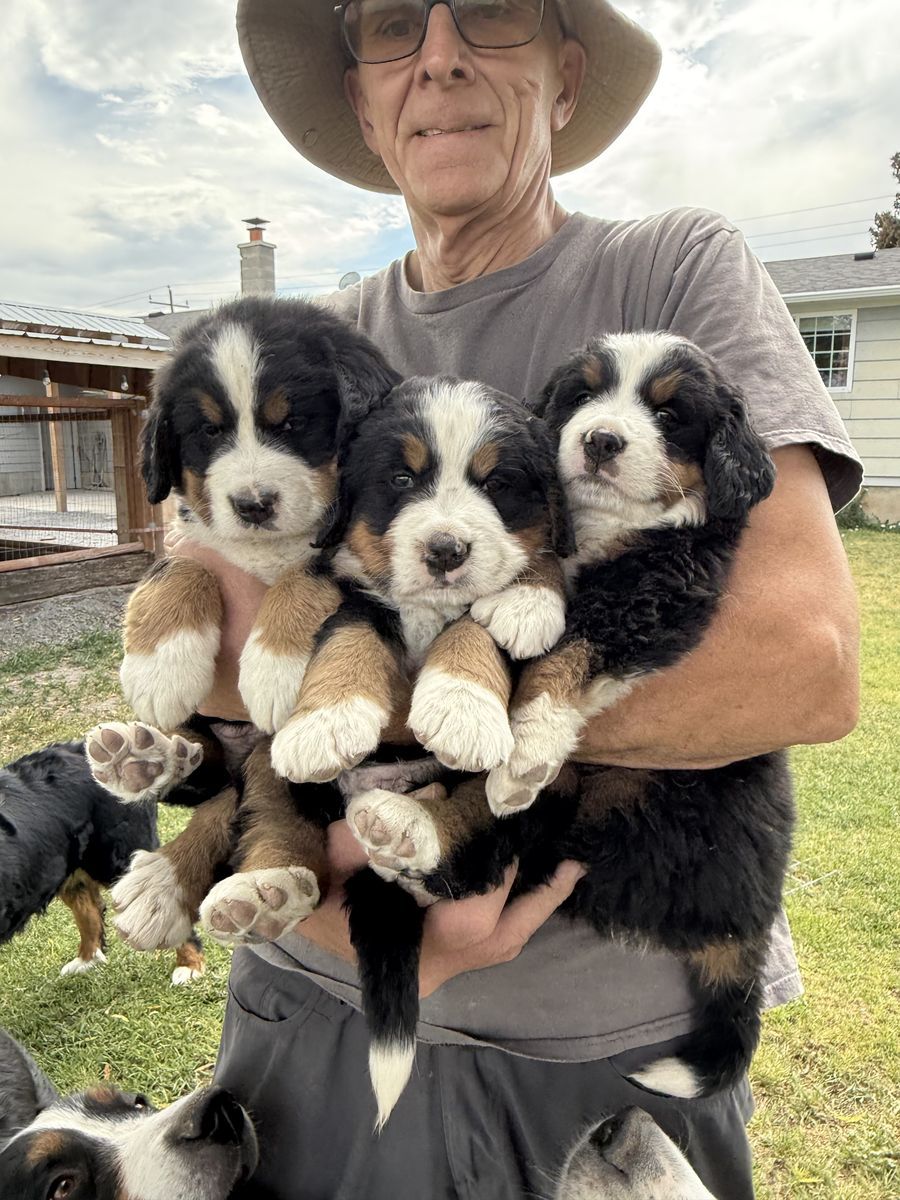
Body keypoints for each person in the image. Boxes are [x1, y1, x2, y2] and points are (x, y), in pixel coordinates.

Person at [175, 2, 862, 1196]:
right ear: (361, 96)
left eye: (488, 9)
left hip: (589, 1063)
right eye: (394, 22)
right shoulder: (313, 346)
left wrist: (433, 698)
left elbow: (801, 659)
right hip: (298, 1003)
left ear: (565, 73)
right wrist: (334, 905)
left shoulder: (668, 271)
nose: (439, 56)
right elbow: (201, 634)